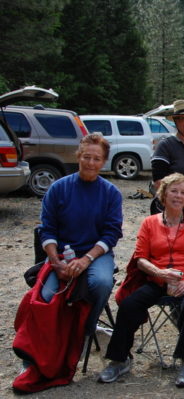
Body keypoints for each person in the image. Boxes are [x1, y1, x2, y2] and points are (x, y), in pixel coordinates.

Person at [98, 173, 184, 388]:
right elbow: (141, 259)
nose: (178, 196)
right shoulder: (149, 223)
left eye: (183, 192)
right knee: (129, 304)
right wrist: (160, 273)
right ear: (164, 194)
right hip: (158, 280)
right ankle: (119, 359)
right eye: (174, 191)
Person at [39, 133, 123, 336]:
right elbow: (47, 228)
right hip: (61, 254)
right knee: (46, 295)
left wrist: (86, 260)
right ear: (78, 156)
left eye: (96, 159)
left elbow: (111, 234)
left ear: (103, 162)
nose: (90, 163)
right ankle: (53, 336)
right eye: (86, 157)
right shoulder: (58, 188)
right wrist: (55, 262)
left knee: (102, 283)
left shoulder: (111, 193)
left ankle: (86, 327)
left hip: (96, 254)